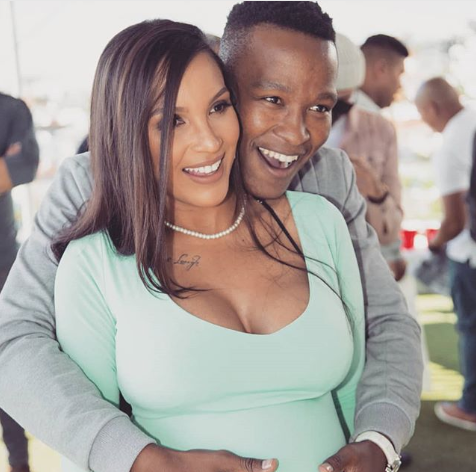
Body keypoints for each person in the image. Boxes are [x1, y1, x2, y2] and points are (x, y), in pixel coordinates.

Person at [0, 3, 422, 472]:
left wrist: (378, 440)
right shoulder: (90, 191)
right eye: (271, 99)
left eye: (320, 107)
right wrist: (140, 459)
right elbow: (14, 336)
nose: (296, 135)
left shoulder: (324, 195)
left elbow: (384, 324)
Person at [416, 77, 476, 431]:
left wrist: (435, 245)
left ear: (432, 108)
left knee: (470, 328)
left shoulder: (451, 142)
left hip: (469, 254)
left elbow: (455, 221)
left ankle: (471, 406)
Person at [327, 33, 404, 280]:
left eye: (342, 102)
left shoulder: (380, 128)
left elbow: (392, 224)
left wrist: (375, 190)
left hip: (361, 269)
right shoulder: (290, 130)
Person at [0, 91, 39, 472]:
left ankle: (20, 464)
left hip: (1, 264)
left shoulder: (10, 110)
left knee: (6, 368)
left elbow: (22, 166)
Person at [354, 34, 409, 113]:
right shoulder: (367, 117)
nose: (400, 85)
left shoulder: (341, 109)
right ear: (381, 69)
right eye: (399, 74)